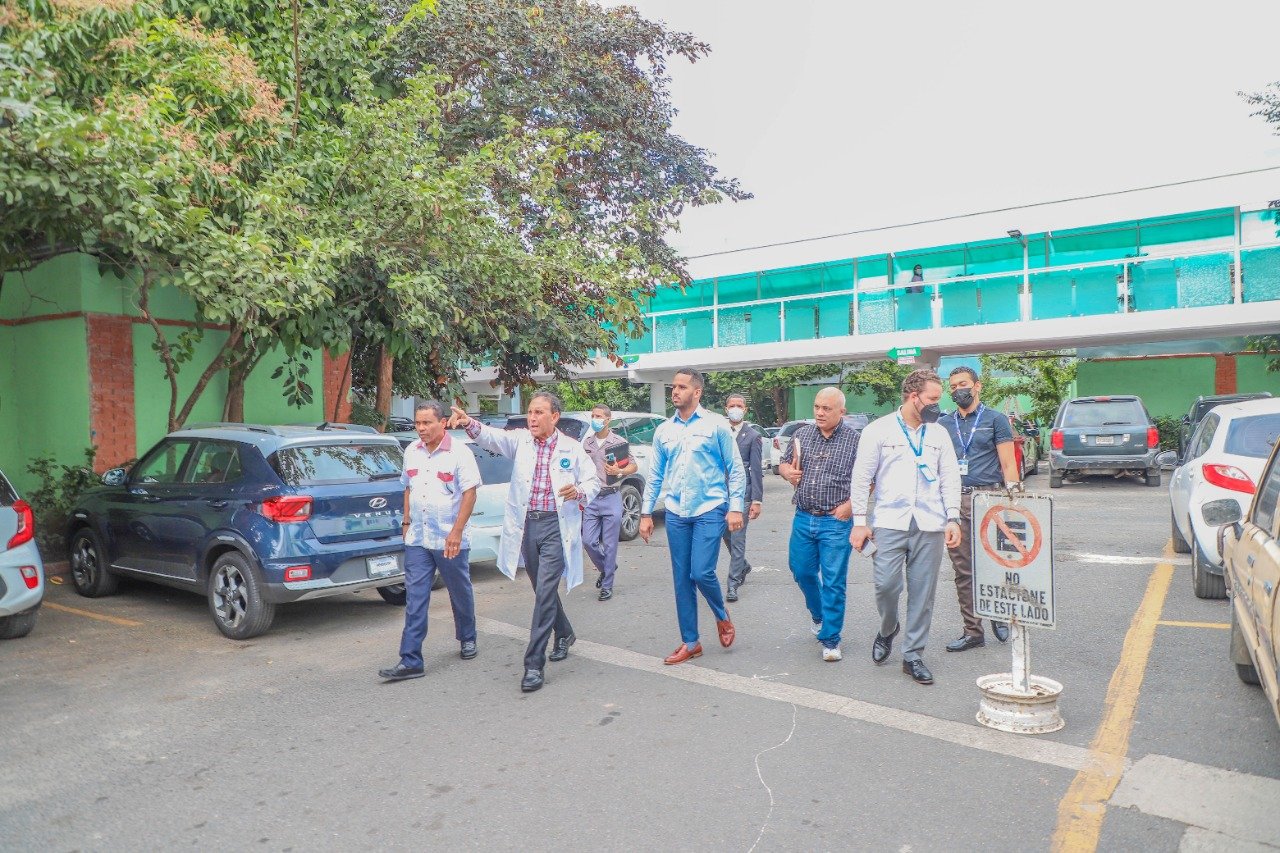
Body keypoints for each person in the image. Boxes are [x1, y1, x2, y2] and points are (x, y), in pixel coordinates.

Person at [448, 393, 599, 694]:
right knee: (540, 589)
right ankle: (564, 632)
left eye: (539, 412)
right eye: (530, 412)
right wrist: (468, 423)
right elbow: (492, 438)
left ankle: (533, 664)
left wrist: (579, 491)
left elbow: (592, 481)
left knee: (544, 591)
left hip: (556, 526)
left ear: (554, 417)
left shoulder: (571, 448)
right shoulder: (521, 441)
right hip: (528, 525)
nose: (532, 418)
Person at [849, 369, 962, 685]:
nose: (938, 406)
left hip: (930, 523)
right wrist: (859, 522)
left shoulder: (938, 434)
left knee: (923, 593)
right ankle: (888, 628)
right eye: (933, 400)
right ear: (914, 397)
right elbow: (861, 478)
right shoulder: (878, 430)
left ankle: (912, 655)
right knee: (886, 585)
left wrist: (952, 517)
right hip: (889, 521)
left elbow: (950, 477)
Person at [639, 368, 746, 665]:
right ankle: (691, 642)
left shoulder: (716, 425)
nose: (675, 391)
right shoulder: (664, 431)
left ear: (697, 392)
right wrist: (646, 513)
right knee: (682, 579)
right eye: (673, 387)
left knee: (700, 572)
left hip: (709, 508)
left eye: (682, 387)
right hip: (675, 512)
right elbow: (655, 475)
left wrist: (736, 507)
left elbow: (735, 469)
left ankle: (721, 614)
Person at [379, 401, 482, 682]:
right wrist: (406, 521)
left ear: (442, 423)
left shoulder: (459, 453)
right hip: (418, 538)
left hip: (449, 538)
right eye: (418, 423)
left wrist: (456, 532)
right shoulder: (412, 451)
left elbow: (470, 494)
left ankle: (467, 636)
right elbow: (407, 488)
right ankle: (411, 659)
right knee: (415, 597)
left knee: (459, 590)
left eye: (427, 423)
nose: (421, 428)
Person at [939, 367, 1021, 651]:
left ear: (977, 386)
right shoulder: (943, 424)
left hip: (990, 499)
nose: (957, 390)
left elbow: (1008, 463)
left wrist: (1013, 502)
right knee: (963, 569)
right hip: (955, 501)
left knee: (995, 563)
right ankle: (973, 631)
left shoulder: (995, 419)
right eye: (952, 386)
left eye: (962, 384)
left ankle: (997, 612)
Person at [777, 387, 860, 661]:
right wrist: (787, 472)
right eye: (817, 407)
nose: (820, 413)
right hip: (804, 517)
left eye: (827, 409)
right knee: (801, 571)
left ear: (841, 412)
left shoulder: (855, 441)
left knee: (834, 580)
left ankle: (831, 639)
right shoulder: (801, 435)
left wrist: (850, 506)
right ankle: (818, 614)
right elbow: (784, 464)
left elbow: (870, 478)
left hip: (836, 521)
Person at [581, 403, 637, 601]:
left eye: (598, 416)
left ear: (607, 420)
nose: (595, 419)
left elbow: (633, 466)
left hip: (612, 495)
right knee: (588, 541)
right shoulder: (587, 443)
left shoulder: (618, 442)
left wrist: (619, 471)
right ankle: (607, 566)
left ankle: (607, 585)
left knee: (610, 544)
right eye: (593, 416)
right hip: (591, 498)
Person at [722, 393, 763, 602]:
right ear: (726, 409)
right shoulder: (719, 432)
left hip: (744, 495)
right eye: (732, 405)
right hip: (720, 494)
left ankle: (733, 583)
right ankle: (743, 566)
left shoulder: (753, 436)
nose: (735, 409)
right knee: (726, 535)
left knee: (737, 538)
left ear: (745, 410)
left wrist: (757, 500)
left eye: (739, 405)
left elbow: (756, 469)